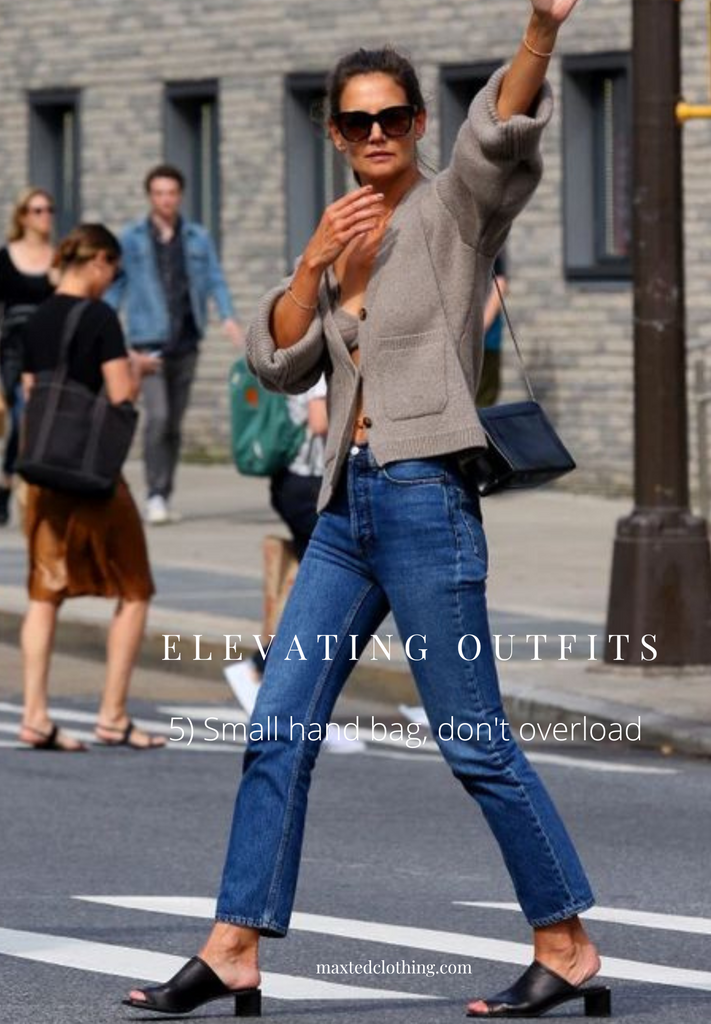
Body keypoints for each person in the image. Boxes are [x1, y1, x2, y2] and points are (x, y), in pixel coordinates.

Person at [125, 0, 607, 1018]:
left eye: (393, 116)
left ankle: (563, 941)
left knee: (472, 736)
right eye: (356, 122)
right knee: (276, 728)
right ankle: (235, 945)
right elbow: (274, 356)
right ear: (334, 133)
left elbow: (502, 131)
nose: (376, 133)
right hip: (346, 516)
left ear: (420, 123)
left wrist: (541, 32)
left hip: (427, 501)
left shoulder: (454, 208)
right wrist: (313, 266)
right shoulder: (341, 232)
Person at [18, 224, 165, 752]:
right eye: (114, 270)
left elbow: (33, 391)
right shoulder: (101, 317)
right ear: (99, 261)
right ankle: (113, 715)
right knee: (134, 588)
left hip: (42, 473)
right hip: (91, 476)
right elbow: (120, 394)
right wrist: (139, 369)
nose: (112, 280)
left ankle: (35, 715)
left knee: (44, 592)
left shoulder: (36, 318)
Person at [105, 164, 244, 526]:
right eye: (159, 193)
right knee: (159, 417)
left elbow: (215, 279)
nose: (165, 200)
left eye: (171, 193)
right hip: (147, 343)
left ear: (179, 196)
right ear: (150, 197)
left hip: (186, 340)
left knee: (174, 424)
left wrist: (228, 317)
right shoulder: (132, 238)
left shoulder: (196, 237)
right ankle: (153, 494)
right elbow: (116, 286)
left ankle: (164, 493)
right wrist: (103, 327)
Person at [224, 378, 329, 715]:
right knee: (326, 590)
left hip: (297, 485)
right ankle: (261, 667)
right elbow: (320, 421)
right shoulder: (323, 361)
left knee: (316, 590)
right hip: (307, 485)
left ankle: (270, 675)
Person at [0, 187, 56, 525]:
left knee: (38, 418)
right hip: (13, 351)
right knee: (22, 416)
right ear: (23, 216)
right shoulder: (5, 258)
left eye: (49, 209)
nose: (45, 215)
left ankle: (22, 484)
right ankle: (9, 481)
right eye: (37, 210)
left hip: (48, 349)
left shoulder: (58, 258)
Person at [476, 251, 509, 408]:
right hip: (475, 338)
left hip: (485, 339)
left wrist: (480, 328)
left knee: (483, 401)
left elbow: (500, 285)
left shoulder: (490, 237)